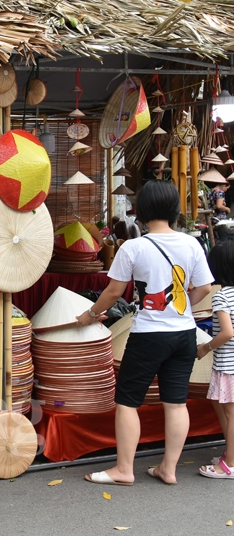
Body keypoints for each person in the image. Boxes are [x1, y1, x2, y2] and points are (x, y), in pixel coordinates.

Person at [78, 180, 213, 486]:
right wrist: (181, 308)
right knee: (176, 402)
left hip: (148, 334)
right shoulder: (191, 244)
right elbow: (204, 287)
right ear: (174, 209)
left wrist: (89, 314)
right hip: (183, 333)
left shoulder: (134, 247)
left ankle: (124, 469)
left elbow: (113, 293)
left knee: (128, 401)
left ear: (142, 209)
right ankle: (168, 468)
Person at [197, 241, 234, 478]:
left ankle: (229, 464)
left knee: (231, 414)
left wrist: (206, 347)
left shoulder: (222, 297)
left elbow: (227, 332)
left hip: (228, 365)